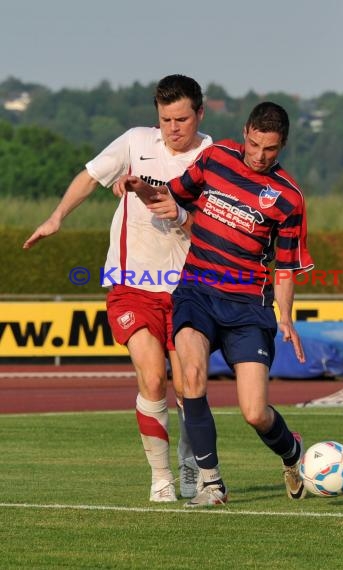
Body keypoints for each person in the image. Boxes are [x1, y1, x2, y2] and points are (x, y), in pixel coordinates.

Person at [22, 74, 213, 503]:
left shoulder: (214, 158)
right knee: (151, 377)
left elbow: (216, 228)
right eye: (165, 119)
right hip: (132, 285)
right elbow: (90, 176)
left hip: (187, 289)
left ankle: (189, 465)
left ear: (200, 113)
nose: (173, 128)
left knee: (188, 387)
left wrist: (181, 215)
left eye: (182, 118)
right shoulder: (134, 142)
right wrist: (57, 217)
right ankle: (161, 477)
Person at [122, 101, 314, 507]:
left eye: (271, 150)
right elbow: (171, 195)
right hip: (197, 292)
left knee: (255, 412)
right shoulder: (216, 158)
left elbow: (284, 267)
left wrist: (287, 318)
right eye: (255, 144)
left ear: (283, 147)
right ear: (245, 131)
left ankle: (291, 452)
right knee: (189, 375)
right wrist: (140, 187)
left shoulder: (289, 198)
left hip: (248, 307)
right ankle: (211, 482)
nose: (260, 156)